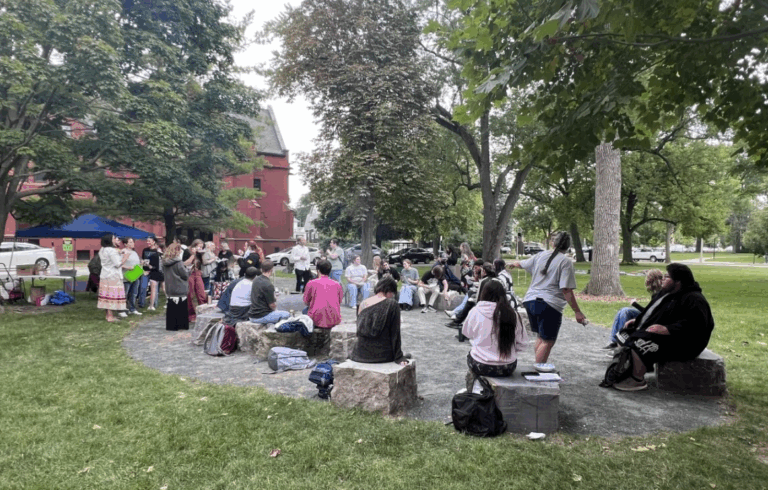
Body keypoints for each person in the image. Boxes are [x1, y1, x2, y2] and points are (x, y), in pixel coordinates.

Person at [610, 263, 715, 392]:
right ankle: (628, 367)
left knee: (640, 342)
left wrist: (668, 329)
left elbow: (697, 325)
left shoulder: (694, 299)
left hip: (686, 342)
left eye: (667, 277)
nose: (663, 279)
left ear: (678, 281)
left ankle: (637, 379)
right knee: (625, 334)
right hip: (667, 334)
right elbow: (652, 312)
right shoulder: (666, 294)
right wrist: (638, 320)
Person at [509, 231, 587, 372]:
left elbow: (522, 263)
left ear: (553, 243)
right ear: (568, 247)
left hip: (530, 301)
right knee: (548, 340)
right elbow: (566, 290)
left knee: (541, 337)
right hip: (548, 305)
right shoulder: (565, 262)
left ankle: (539, 365)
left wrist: (513, 264)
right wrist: (577, 312)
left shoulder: (540, 255)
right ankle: (539, 371)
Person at [462, 280, 528, 378]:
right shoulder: (513, 315)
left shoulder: (475, 311)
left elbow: (466, 333)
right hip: (507, 367)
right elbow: (522, 343)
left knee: (471, 353)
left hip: (481, 364)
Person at [351, 276, 409, 365]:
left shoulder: (363, 303)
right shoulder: (392, 304)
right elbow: (395, 332)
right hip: (382, 355)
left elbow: (359, 331)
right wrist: (399, 357)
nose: (392, 296)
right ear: (390, 291)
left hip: (360, 353)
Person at [603, 269, 664, 350]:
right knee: (622, 310)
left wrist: (635, 304)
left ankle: (619, 341)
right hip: (649, 315)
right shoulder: (656, 292)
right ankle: (614, 340)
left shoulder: (659, 293)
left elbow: (649, 313)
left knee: (626, 311)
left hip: (652, 318)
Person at [303, 259, 344, 356]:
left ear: (317, 270)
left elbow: (306, 302)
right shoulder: (337, 284)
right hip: (334, 318)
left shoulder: (311, 283)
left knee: (304, 311)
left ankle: (310, 344)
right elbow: (339, 301)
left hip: (317, 319)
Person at [98, 233, 129, 322]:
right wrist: (125, 257)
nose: (115, 239)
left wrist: (119, 252)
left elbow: (111, 257)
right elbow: (117, 264)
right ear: (110, 240)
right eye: (114, 238)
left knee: (106, 297)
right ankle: (110, 317)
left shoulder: (102, 249)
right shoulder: (111, 250)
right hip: (113, 276)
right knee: (111, 297)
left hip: (105, 275)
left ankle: (108, 315)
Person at [248, 260, 291, 324]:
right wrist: (274, 299)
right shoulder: (268, 284)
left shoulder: (256, 280)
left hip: (252, 315)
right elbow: (272, 306)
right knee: (287, 314)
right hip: (261, 316)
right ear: (271, 270)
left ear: (261, 269)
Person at [161, 243, 190, 331]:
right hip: (180, 287)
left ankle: (171, 326)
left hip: (170, 287)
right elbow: (184, 275)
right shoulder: (179, 262)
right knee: (182, 308)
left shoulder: (164, 262)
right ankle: (182, 325)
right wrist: (188, 271)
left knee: (171, 308)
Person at [186, 239, 208, 322]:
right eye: (199, 246)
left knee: (201, 293)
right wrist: (193, 254)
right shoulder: (187, 251)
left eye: (202, 247)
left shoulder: (200, 254)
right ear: (194, 245)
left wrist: (201, 254)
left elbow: (201, 263)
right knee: (190, 294)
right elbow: (185, 263)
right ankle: (191, 315)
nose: (200, 248)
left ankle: (204, 314)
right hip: (189, 273)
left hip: (197, 272)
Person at [120, 237, 143, 316]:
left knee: (134, 293)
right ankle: (122, 310)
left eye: (133, 242)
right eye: (130, 242)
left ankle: (132, 309)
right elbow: (119, 264)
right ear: (125, 244)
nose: (132, 243)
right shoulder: (123, 252)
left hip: (135, 276)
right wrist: (129, 267)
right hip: (126, 276)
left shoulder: (134, 252)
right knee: (125, 294)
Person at [141, 236, 164, 311]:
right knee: (143, 287)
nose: (148, 242)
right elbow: (143, 259)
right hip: (145, 271)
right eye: (147, 241)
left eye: (149, 241)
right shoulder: (145, 250)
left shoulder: (158, 251)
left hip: (155, 271)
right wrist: (143, 264)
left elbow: (160, 263)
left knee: (154, 289)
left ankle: (153, 304)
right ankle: (142, 303)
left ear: (154, 241)